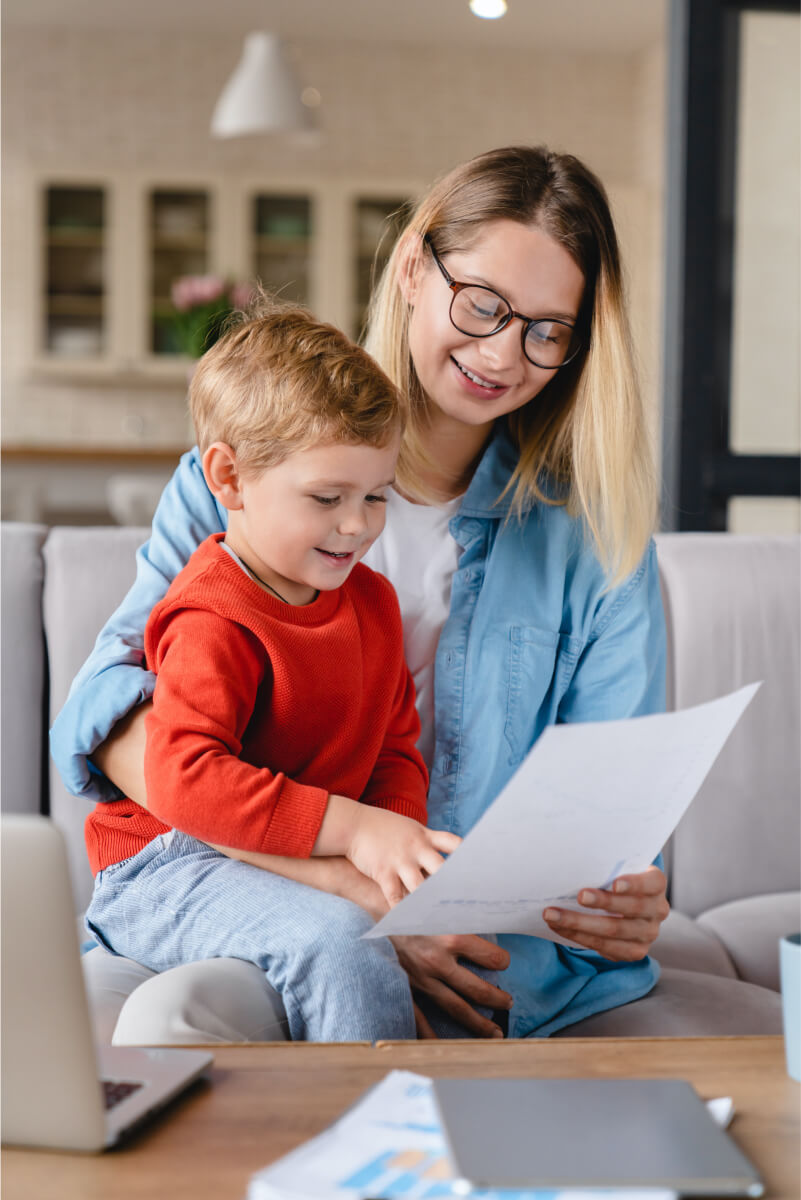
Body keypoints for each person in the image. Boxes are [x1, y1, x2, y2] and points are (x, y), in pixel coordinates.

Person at [52, 145, 671, 1042]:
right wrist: (363, 883)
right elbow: (110, 717)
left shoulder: (599, 544)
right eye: (483, 304)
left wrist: (621, 898)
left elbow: (609, 814)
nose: (503, 354)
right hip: (272, 893)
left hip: (490, 952)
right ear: (415, 268)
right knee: (188, 1013)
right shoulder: (243, 482)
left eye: (546, 330)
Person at [81, 302, 465, 1043]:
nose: (356, 526)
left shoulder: (373, 604)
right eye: (327, 498)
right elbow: (188, 778)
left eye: (375, 497)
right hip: (163, 866)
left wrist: (396, 851)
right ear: (228, 477)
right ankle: (377, 1142)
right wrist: (354, 831)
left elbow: (392, 748)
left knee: (373, 929)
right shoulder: (209, 614)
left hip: (277, 856)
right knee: (338, 943)